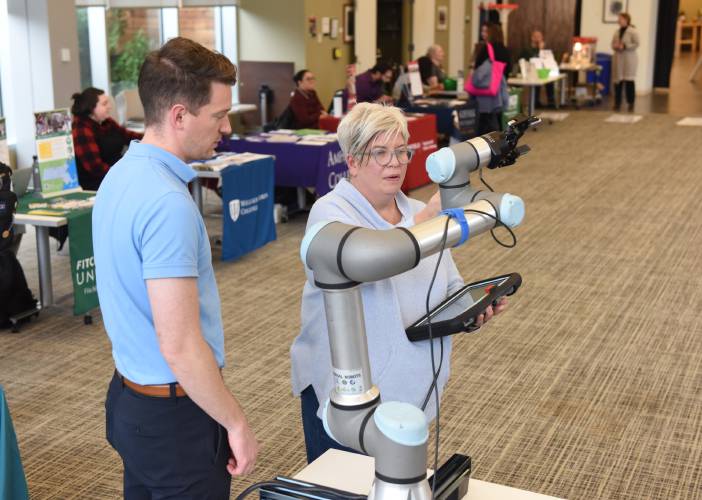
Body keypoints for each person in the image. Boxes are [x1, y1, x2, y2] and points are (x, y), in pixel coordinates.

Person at [290, 103, 507, 463]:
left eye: (401, 151)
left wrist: (471, 308)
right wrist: (425, 221)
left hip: (410, 392)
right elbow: (376, 259)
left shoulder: (414, 210)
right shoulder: (329, 214)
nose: (395, 162)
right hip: (348, 396)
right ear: (353, 161)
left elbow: (447, 283)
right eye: (380, 153)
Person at [93, 37, 258, 499]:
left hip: (130, 400)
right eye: (219, 115)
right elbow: (181, 344)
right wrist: (236, 422)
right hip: (174, 419)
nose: (226, 126)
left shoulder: (120, 174)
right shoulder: (168, 203)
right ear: (180, 115)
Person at [71, 87, 143, 191]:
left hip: (116, 177)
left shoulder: (106, 122)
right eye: (104, 104)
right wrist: (125, 176)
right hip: (99, 185)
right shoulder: (81, 129)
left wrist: (152, 139)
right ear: (91, 108)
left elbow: (128, 135)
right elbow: (96, 168)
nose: (109, 107)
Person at [518, 30, 555, 108]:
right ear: (532, 38)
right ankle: (535, 102)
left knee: (550, 80)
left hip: (541, 71)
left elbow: (547, 60)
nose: (538, 39)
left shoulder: (544, 49)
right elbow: (534, 60)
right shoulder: (527, 49)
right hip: (530, 72)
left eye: (539, 37)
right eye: (536, 37)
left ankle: (551, 102)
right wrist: (540, 50)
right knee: (538, 79)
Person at [612, 12, 639, 112]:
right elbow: (612, 43)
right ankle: (617, 103)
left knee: (629, 81)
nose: (619, 20)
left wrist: (625, 46)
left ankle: (630, 103)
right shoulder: (616, 31)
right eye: (618, 18)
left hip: (629, 59)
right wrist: (615, 46)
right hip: (619, 59)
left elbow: (637, 43)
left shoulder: (633, 31)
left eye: (621, 18)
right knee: (618, 82)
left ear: (626, 20)